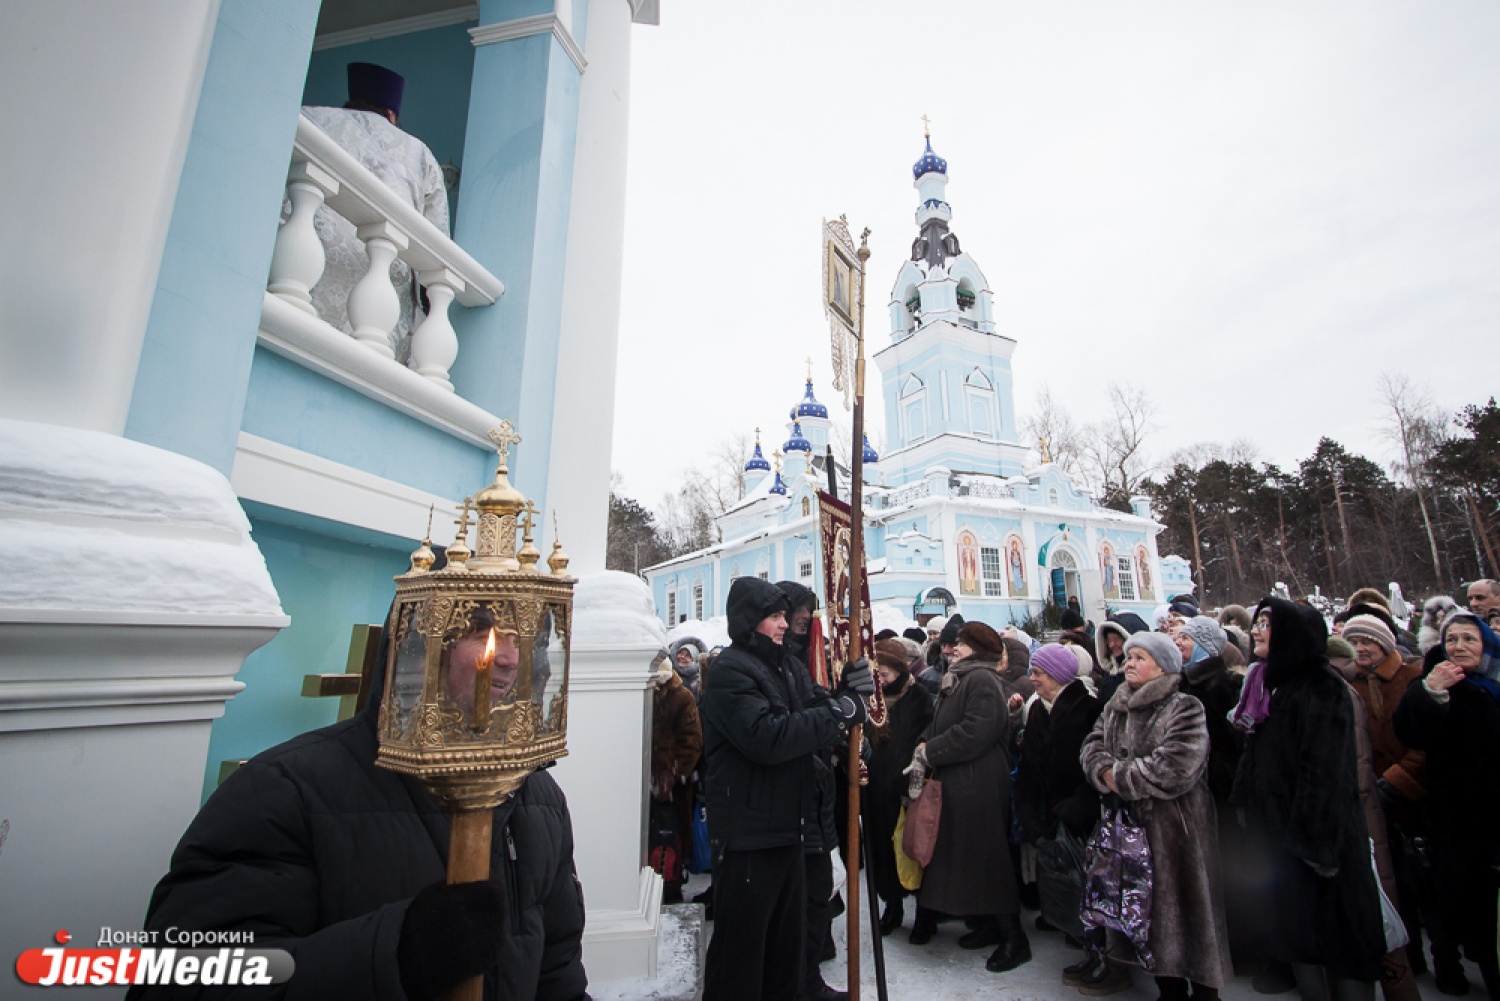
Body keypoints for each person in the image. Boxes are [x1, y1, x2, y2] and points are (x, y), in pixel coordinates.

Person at [129, 599, 587, 1001]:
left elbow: (558, 973)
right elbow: (183, 980)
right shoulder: (287, 789)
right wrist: (397, 954)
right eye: (482, 633)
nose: (508, 657)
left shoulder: (538, 798)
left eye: (521, 637)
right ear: (420, 643)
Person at [699, 577, 873, 1001]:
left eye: (784, 615)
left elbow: (817, 705)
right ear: (749, 621)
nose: (784, 624)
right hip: (748, 837)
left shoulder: (787, 667)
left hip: (790, 831)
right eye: (774, 616)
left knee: (786, 955)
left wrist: (847, 698)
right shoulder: (730, 671)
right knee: (741, 960)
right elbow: (768, 737)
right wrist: (838, 713)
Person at [1231, 598, 1386, 1001]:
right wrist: (1246, 808)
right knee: (1300, 939)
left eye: (1267, 623)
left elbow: (1326, 775)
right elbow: (1256, 758)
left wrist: (1314, 848)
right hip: (1284, 840)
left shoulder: (1320, 687)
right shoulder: (1266, 685)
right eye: (1258, 622)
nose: (1256, 630)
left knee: (1343, 943)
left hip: (1322, 848)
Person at [1078, 632, 1232, 999]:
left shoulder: (1184, 707)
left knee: (1188, 913)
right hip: (1127, 830)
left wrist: (1117, 778)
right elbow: (1091, 746)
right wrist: (1102, 771)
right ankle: (1169, 990)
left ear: (1163, 667)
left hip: (1177, 831)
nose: (1129, 663)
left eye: (1139, 658)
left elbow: (1176, 767)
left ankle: (1205, 992)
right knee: (1147, 918)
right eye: (1129, 657)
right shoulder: (1115, 705)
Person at [903, 621, 1030, 973]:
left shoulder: (981, 679)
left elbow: (978, 729)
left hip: (980, 783)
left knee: (989, 858)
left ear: (977, 649)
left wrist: (932, 751)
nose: (952, 648)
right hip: (963, 781)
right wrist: (923, 742)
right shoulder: (960, 678)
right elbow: (942, 723)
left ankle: (1014, 938)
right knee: (972, 858)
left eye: (961, 643)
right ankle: (989, 925)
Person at [300, 63, 450, 360]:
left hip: (304, 272)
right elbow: (436, 248)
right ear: (392, 115)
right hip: (381, 303)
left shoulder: (309, 118)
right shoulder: (419, 154)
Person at [1393, 609, 1500, 998]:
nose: (1459, 646)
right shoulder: (1434, 683)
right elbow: (1409, 732)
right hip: (1460, 819)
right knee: (1477, 911)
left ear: (1486, 645)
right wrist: (1430, 692)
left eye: (1470, 638)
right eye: (1451, 639)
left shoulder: (1496, 682)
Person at [774, 579, 846, 1001]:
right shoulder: (774, 661)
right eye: (795, 609)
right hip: (794, 788)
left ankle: (816, 953)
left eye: (807, 608)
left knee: (822, 879)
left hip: (822, 787)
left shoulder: (817, 650)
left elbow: (825, 698)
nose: (803, 616)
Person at [1009, 645, 1102, 958]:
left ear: (1058, 675)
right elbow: (1029, 766)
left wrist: (1078, 806)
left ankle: (1095, 947)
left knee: (1089, 881)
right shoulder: (1038, 709)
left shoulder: (1089, 709)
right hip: (1050, 811)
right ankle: (1067, 922)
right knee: (1060, 875)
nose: (1033, 679)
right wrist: (1027, 811)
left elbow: (1097, 764)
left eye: (1039, 673)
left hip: (1083, 815)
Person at [866, 638, 936, 936]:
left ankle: (925, 914)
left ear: (899, 671)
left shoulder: (918, 697)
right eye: (877, 675)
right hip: (876, 789)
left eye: (885, 674)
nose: (881, 680)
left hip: (909, 788)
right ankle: (892, 906)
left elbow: (927, 736)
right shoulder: (871, 699)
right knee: (882, 850)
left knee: (915, 849)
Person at [651, 649, 703, 904]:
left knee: (670, 839)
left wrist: (673, 775)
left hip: (673, 788)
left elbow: (691, 742)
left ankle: (671, 888)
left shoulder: (681, 696)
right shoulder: (646, 692)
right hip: (645, 781)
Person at [1092, 612, 1151, 702]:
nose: (1112, 645)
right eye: (1109, 640)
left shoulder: (1143, 672)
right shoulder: (1110, 671)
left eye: (1116, 639)